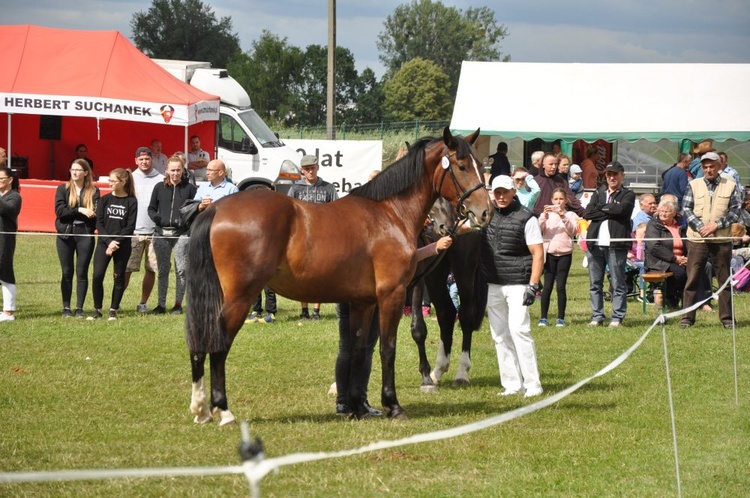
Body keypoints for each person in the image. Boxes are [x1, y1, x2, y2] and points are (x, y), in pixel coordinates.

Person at [335, 235, 453, 416]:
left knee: (346, 347)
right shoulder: (375, 232)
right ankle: (356, 400)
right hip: (368, 296)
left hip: (347, 292)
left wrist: (434, 247)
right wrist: (432, 249)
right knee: (364, 349)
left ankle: (344, 403)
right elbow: (401, 257)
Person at [479, 175, 544, 397]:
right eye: (497, 192)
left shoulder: (528, 218)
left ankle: (533, 384)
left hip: (518, 284)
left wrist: (533, 285)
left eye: (505, 192)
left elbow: (538, 254)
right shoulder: (487, 215)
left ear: (514, 192)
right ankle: (512, 384)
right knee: (499, 335)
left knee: (519, 331)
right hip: (493, 284)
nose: (501, 196)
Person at [680, 152, 741, 329]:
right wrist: (702, 227)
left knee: (724, 280)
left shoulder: (730, 185)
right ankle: (687, 318)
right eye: (705, 166)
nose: (708, 169)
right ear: (702, 168)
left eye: (712, 166)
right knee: (692, 278)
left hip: (721, 239)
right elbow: (686, 208)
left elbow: (735, 210)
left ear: (719, 166)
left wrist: (715, 225)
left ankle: (727, 319)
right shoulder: (694, 184)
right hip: (697, 239)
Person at [583, 161, 636, 327]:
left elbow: (622, 211)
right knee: (595, 283)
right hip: (595, 245)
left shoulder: (628, 194)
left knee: (618, 282)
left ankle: (617, 317)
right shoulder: (599, 193)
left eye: (615, 174)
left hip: (616, 244)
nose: (611, 177)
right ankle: (597, 316)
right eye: (609, 174)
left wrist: (601, 209)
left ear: (622, 175)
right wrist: (609, 208)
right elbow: (587, 213)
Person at [288, 154, 339, 320]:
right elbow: (289, 212)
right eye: (307, 169)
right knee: (302, 273)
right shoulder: (295, 189)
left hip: (322, 236)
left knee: (320, 273)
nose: (310, 171)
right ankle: (304, 310)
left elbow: (335, 211)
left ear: (317, 167)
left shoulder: (328, 188)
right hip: (301, 236)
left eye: (313, 168)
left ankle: (316, 311)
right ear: (302, 171)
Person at [148, 154, 197, 315]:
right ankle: (161, 304)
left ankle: (178, 304)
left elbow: (194, 211)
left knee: (181, 270)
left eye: (178, 170)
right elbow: (151, 209)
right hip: (161, 234)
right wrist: (159, 220)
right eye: (172, 170)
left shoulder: (190, 189)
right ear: (166, 170)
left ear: (183, 170)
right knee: (162, 270)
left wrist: (184, 224)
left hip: (181, 235)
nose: (175, 173)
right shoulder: (159, 187)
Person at [88, 168, 137, 320]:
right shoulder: (104, 199)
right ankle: (97, 309)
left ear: (123, 182)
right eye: (109, 180)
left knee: (119, 276)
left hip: (122, 245)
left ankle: (113, 310)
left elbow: (130, 226)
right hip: (104, 243)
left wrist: (116, 242)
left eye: (113, 181)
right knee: (97, 275)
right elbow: (99, 223)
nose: (110, 183)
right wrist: (109, 242)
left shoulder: (131, 201)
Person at [54, 159, 100, 318]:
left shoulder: (94, 191)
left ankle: (79, 307)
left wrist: (81, 213)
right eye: (72, 169)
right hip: (65, 234)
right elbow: (60, 212)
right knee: (67, 271)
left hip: (85, 234)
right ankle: (66, 307)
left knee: (82, 272)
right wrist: (80, 209)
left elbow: (95, 215)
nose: (74, 172)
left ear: (86, 172)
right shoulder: (62, 189)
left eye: (78, 170)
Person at [124, 147, 164, 313]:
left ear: (152, 159)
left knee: (151, 269)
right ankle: (116, 301)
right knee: (126, 269)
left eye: (147, 159)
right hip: (134, 231)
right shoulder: (129, 178)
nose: (144, 162)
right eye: (141, 159)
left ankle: (143, 302)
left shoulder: (162, 179)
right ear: (136, 161)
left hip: (154, 232)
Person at [538, 188, 579, 327]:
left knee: (561, 286)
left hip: (565, 253)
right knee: (547, 286)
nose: (558, 202)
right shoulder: (547, 215)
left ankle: (560, 318)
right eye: (555, 199)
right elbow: (539, 228)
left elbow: (573, 231)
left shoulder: (571, 215)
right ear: (551, 201)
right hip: (549, 253)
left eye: (561, 199)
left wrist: (563, 217)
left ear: (565, 200)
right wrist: (544, 215)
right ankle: (543, 317)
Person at [644, 198, 687, 309]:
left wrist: (686, 258)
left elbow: (687, 242)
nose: (663, 213)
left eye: (666, 211)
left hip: (680, 258)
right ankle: (666, 295)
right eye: (661, 211)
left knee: (700, 268)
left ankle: (697, 302)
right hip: (659, 260)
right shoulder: (653, 225)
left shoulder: (679, 225)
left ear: (673, 213)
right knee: (681, 273)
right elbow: (654, 247)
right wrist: (675, 259)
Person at [533, 153, 585, 217]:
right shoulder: (535, 181)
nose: (554, 167)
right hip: (539, 218)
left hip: (559, 218)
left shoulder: (561, 181)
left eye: (555, 164)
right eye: (551, 164)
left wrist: (585, 213)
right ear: (543, 165)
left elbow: (571, 199)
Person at [0, 167, 21, 322]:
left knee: (5, 273)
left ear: (10, 179)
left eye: (1, 179)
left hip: (4, 240)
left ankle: (8, 312)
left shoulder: (14, 196)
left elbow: (8, 209)